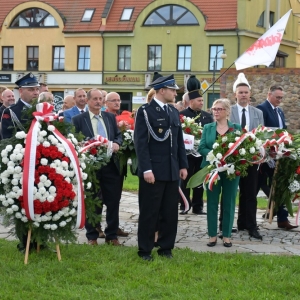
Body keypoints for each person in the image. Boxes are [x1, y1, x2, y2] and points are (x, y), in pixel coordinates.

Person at [134, 74, 188, 261]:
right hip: (154, 171)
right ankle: (145, 250)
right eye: (172, 89)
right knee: (150, 212)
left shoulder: (173, 112)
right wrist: (146, 169)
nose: (175, 92)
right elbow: (141, 143)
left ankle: (166, 248)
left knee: (170, 212)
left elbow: (179, 141)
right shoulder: (146, 111)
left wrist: (183, 164)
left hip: (172, 170)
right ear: (162, 90)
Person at [72, 88, 123, 246]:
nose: (98, 101)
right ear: (87, 101)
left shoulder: (109, 117)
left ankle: (112, 235)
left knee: (113, 201)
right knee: (93, 201)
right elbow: (74, 139)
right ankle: (92, 236)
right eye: (95, 99)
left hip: (111, 164)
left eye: (100, 99)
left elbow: (118, 135)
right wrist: (83, 145)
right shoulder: (79, 119)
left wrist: (117, 143)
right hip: (91, 167)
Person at [1, 73, 40, 252]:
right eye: (31, 89)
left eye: (37, 89)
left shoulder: (42, 110)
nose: (35, 92)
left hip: (42, 164)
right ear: (21, 91)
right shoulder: (10, 112)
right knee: (22, 204)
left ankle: (41, 239)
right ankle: (25, 242)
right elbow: (7, 139)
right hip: (20, 166)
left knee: (41, 201)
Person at [199, 99, 241, 248]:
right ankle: (212, 235)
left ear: (227, 111)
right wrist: (214, 156)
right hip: (212, 170)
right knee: (211, 202)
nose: (215, 111)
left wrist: (228, 159)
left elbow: (240, 149)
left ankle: (227, 235)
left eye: (219, 109)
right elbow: (201, 147)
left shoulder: (236, 128)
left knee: (229, 202)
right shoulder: (208, 127)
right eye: (213, 109)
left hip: (230, 171)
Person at [256, 85, 298, 230]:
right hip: (266, 156)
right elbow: (261, 132)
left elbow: (282, 132)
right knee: (257, 186)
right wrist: (269, 152)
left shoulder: (279, 111)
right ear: (269, 94)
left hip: (279, 155)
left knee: (280, 186)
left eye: (281, 97)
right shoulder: (262, 109)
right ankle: (247, 219)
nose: (280, 100)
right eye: (277, 97)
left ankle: (282, 218)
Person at [229, 73, 264, 239]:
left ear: (250, 94)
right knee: (231, 192)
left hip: (251, 159)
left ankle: (250, 224)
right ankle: (227, 224)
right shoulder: (229, 111)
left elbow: (262, 134)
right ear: (235, 94)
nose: (243, 94)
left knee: (250, 193)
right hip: (233, 158)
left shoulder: (258, 113)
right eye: (240, 92)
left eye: (246, 92)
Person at [179, 75, 213, 215]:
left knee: (200, 180)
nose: (201, 103)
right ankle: (185, 205)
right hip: (187, 154)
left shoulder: (207, 116)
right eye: (199, 100)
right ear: (191, 101)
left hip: (201, 154)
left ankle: (198, 207)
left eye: (202, 100)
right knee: (185, 180)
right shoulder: (182, 114)